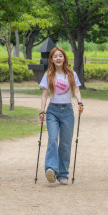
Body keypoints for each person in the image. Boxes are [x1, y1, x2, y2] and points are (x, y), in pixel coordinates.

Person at [39, 47, 84, 185]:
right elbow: (44, 94)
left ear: (64, 58)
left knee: (65, 143)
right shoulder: (48, 75)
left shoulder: (71, 74)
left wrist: (80, 102)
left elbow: (76, 90)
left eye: (60, 56)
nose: (58, 58)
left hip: (67, 111)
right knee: (52, 139)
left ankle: (63, 173)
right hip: (52, 110)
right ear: (51, 59)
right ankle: (51, 169)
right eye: (55, 56)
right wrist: (42, 111)